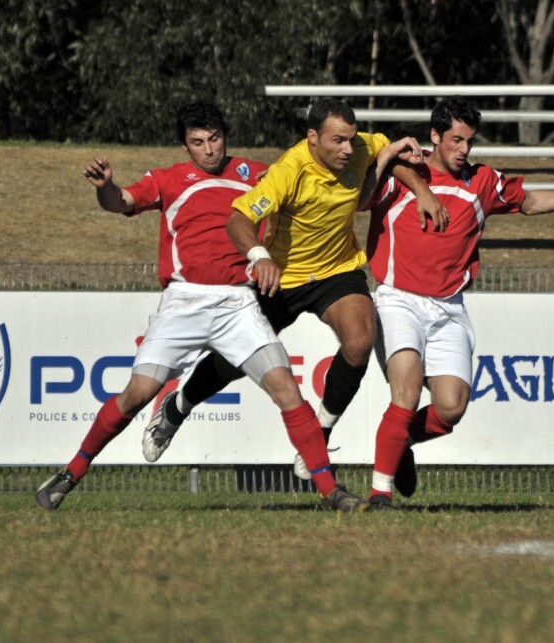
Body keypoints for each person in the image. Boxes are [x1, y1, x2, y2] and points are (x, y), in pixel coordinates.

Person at [36, 100, 369, 512]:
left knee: (287, 390)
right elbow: (120, 201)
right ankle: (70, 474)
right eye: (198, 142)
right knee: (138, 394)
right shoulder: (168, 179)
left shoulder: (256, 173)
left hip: (239, 302)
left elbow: (303, 188)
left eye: (215, 139)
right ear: (184, 146)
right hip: (186, 300)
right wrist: (105, 186)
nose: (209, 149)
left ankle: (330, 492)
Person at [143, 98, 449, 480]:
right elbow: (238, 219)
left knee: (359, 340)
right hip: (283, 277)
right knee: (232, 361)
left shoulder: (359, 146)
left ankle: (320, 434)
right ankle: (178, 408)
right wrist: (259, 257)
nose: (347, 148)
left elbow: (390, 155)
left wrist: (422, 191)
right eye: (337, 141)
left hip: (338, 269)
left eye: (351, 139)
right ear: (313, 137)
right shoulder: (288, 171)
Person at [361, 97, 554, 509]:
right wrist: (395, 161)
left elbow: (530, 203)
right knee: (405, 393)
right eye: (456, 140)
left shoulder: (482, 181)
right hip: (398, 299)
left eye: (470, 141)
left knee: (450, 408)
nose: (463, 149)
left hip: (449, 307)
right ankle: (379, 495)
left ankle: (402, 441)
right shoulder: (406, 169)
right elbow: (363, 195)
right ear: (434, 136)